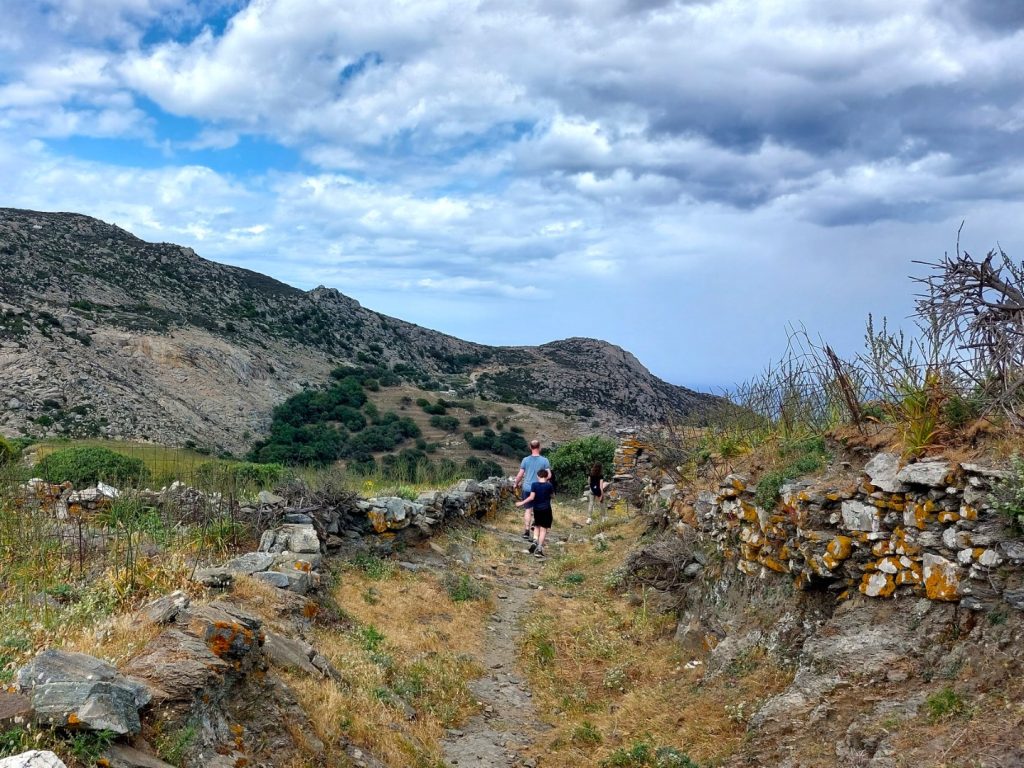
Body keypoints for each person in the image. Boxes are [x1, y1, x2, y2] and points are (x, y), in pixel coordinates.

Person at [514, 440, 551, 539]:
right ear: (539, 447)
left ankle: (526, 531)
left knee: (527, 510)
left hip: (527, 487)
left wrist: (515, 484)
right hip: (540, 489)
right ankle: (535, 528)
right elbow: (549, 475)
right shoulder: (545, 460)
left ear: (530, 447)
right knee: (538, 509)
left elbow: (520, 475)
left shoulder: (525, 460)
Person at [516, 468, 553, 558]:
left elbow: (532, 497)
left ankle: (534, 542)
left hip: (537, 509)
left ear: (538, 476)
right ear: (546, 476)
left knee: (536, 526)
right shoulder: (549, 486)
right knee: (543, 529)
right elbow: (553, 496)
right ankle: (539, 549)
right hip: (546, 509)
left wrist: (521, 502)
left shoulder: (534, 485)